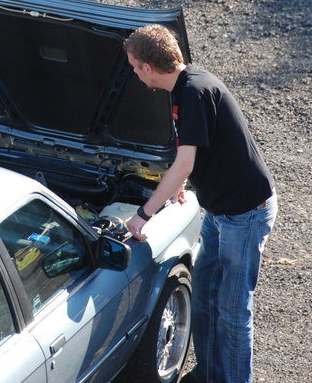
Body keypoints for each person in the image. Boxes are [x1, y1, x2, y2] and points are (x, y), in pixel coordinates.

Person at [123, 24, 276, 383]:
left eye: (133, 66)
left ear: (148, 67)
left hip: (245, 213)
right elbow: (197, 151)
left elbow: (184, 162)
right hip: (221, 210)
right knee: (205, 298)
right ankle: (210, 374)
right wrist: (184, 183)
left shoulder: (192, 92)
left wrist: (144, 214)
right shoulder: (183, 86)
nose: (132, 72)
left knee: (233, 310)